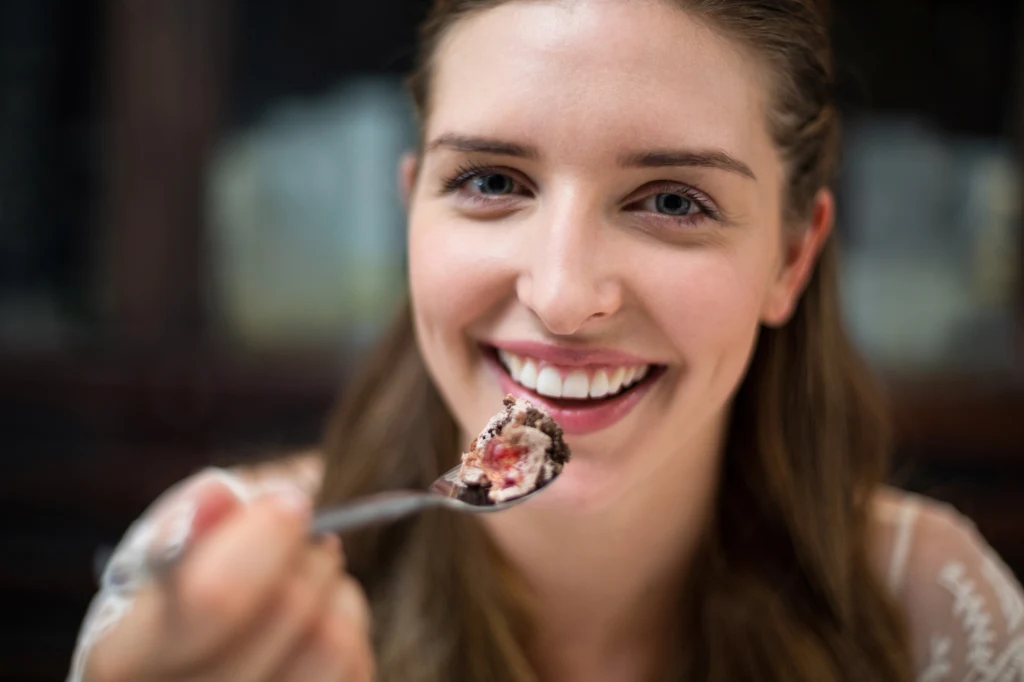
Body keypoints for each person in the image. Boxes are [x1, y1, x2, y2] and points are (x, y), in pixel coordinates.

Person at [70, 1, 1024, 681]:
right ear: (412, 215)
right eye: (490, 181)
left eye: (672, 201)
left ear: (790, 258)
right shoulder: (211, 594)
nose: (563, 298)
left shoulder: (929, 616)